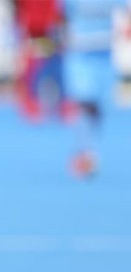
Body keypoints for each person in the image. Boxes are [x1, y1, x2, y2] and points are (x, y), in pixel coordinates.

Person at [59, 0, 128, 178]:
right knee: (84, 101)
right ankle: (85, 152)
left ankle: (88, 145)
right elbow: (61, 15)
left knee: (97, 107)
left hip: (104, 53)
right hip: (80, 53)